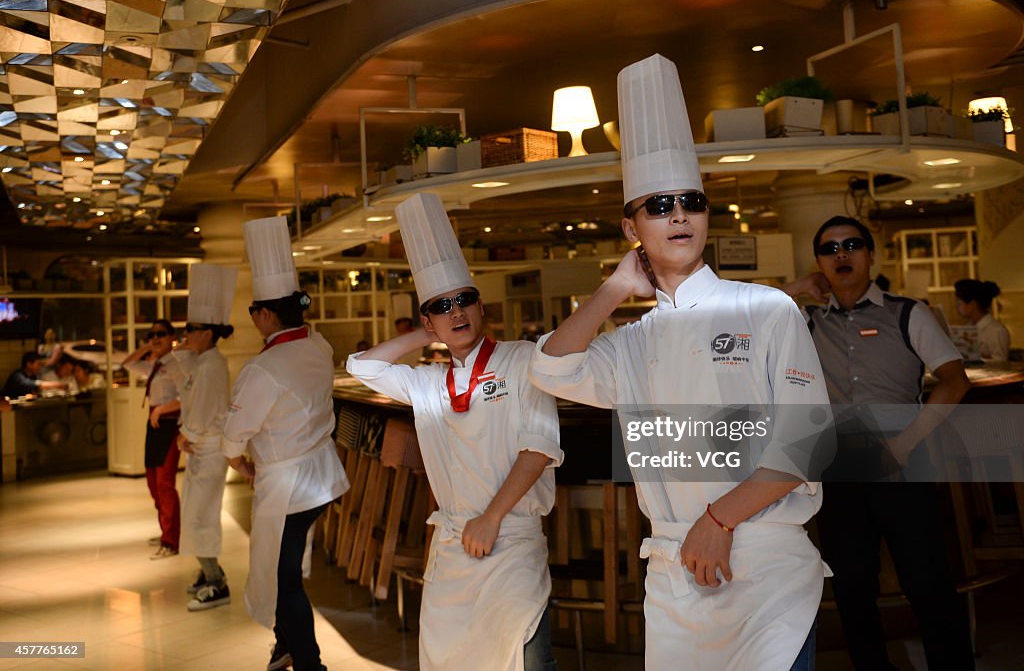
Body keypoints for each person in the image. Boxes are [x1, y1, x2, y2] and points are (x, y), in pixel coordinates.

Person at [529, 54, 831, 670]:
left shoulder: (767, 308)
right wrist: (612, 291)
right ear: (632, 226)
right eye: (658, 204)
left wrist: (718, 520)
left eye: (690, 201)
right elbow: (550, 369)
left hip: (765, 569)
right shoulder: (633, 341)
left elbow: (804, 444)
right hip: (674, 576)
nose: (677, 215)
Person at [347, 193, 562, 671]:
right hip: (451, 545)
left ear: (480, 305)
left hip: (511, 538)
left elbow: (539, 449)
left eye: (464, 301)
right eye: (442, 307)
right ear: (427, 318)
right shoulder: (426, 384)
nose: (457, 312)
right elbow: (361, 366)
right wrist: (429, 334)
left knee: (525, 655)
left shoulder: (523, 359)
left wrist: (491, 517)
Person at [783, 215, 974, 671]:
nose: (841, 255)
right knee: (852, 588)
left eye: (851, 245)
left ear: (871, 255)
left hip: (904, 460)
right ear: (819, 264)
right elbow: (735, 314)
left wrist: (907, 442)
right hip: (840, 468)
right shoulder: (806, 322)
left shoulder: (907, 313)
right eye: (830, 250)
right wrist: (796, 287)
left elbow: (955, 381)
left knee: (927, 582)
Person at [222, 216, 348, 671]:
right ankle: (284, 645)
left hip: (290, 485)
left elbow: (237, 432)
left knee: (281, 577)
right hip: (321, 476)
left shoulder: (265, 367)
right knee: (283, 567)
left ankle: (309, 662)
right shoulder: (317, 344)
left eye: (255, 311)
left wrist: (236, 457)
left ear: (265, 314)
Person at [175, 263, 238, 612]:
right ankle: (207, 570)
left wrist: (186, 434)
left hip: (208, 448)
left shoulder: (212, 365)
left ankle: (216, 580)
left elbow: (203, 409)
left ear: (208, 333)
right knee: (196, 514)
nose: (186, 334)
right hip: (200, 447)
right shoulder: (202, 361)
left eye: (192, 329)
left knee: (202, 516)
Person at [123, 319, 186, 559]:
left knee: (164, 483)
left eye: (161, 334)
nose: (155, 338)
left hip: (169, 423)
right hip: (155, 424)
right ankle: (165, 530)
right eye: (152, 335)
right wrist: (148, 348)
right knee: (152, 481)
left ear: (172, 337)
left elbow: (185, 397)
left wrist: (161, 410)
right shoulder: (155, 365)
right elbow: (128, 364)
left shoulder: (177, 364)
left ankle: (171, 540)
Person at [955, 278, 1010, 361]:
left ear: (972, 304)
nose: (957, 307)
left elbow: (1000, 362)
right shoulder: (969, 327)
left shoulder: (996, 330)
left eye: (959, 303)